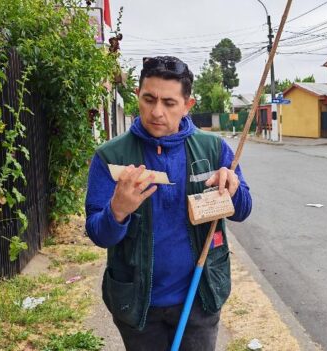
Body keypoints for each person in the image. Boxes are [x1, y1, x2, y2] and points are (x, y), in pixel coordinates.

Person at [85, 56, 252, 351]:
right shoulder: (111, 156)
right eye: (149, 99)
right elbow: (99, 235)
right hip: (136, 305)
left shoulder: (213, 149)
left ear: (188, 105)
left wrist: (233, 189)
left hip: (199, 298)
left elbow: (244, 211)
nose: (157, 112)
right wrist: (118, 210)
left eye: (169, 103)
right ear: (137, 96)